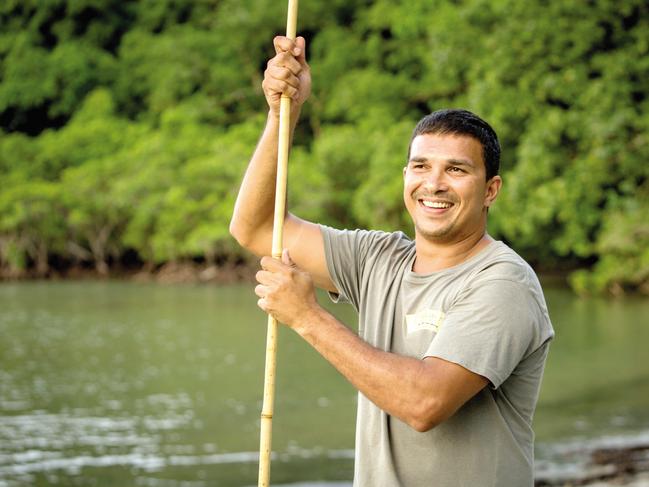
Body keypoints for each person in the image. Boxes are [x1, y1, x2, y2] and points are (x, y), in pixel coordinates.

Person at [229, 35, 554, 487]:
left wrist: (307, 317)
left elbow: (425, 404)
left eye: (456, 170)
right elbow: (256, 227)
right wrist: (282, 116)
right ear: (406, 177)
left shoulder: (504, 284)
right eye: (421, 167)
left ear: (491, 190)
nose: (434, 184)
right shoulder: (377, 258)